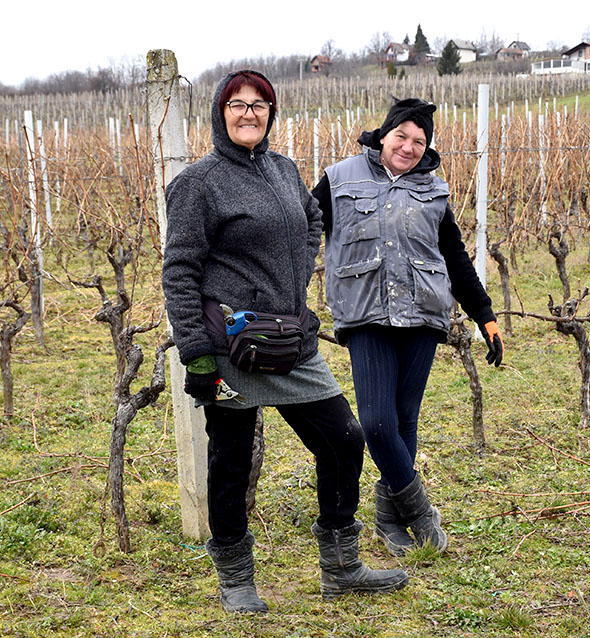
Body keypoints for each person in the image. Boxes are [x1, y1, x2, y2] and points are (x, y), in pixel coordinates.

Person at [162, 70, 407, 614]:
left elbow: (312, 215)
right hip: (228, 347)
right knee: (231, 460)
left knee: (344, 438)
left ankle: (341, 566)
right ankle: (235, 577)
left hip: (288, 339)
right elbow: (179, 271)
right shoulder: (198, 182)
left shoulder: (283, 168)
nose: (249, 113)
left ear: (270, 113)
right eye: (237, 104)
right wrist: (196, 353)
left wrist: (296, 275)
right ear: (220, 114)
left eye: (259, 105)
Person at [312, 97, 504, 556]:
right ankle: (419, 511)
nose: (409, 146)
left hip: (423, 314)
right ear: (384, 134)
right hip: (366, 315)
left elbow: (455, 257)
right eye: (402, 135)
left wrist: (485, 316)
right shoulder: (339, 179)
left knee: (404, 420)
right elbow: (302, 235)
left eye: (419, 141)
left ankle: (387, 515)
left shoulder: (435, 191)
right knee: (377, 424)